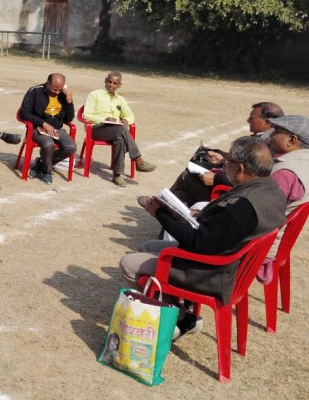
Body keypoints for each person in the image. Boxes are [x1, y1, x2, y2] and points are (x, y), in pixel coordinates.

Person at [120, 137, 286, 339]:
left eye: (228, 162)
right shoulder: (271, 190)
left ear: (240, 168)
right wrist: (194, 215)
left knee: (129, 263)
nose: (225, 167)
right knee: (148, 246)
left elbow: (198, 243)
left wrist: (160, 214)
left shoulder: (243, 206)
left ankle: (179, 319)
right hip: (233, 263)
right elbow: (221, 231)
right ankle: (179, 312)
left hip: (212, 272)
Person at [168, 102, 285, 206]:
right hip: (236, 187)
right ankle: (169, 210)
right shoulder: (267, 140)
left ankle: (164, 205)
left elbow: (252, 176)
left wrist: (217, 178)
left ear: (267, 123)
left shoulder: (265, 145)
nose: (248, 120)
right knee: (183, 190)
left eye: (252, 118)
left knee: (185, 178)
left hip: (231, 193)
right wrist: (223, 159)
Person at [256, 115, 309, 283]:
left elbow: (260, 212)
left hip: (260, 245)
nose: (270, 136)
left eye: (276, 132)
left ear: (292, 140)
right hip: (273, 240)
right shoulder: (303, 162)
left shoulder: (285, 173)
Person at [81, 71, 156, 187]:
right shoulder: (94, 94)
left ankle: (117, 176)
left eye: (115, 83)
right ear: (105, 81)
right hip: (96, 129)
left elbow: (130, 115)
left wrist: (126, 120)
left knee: (120, 139)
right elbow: (86, 115)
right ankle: (139, 161)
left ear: (119, 85)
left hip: (116, 131)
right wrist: (104, 118)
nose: (111, 85)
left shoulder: (121, 100)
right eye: (109, 82)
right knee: (121, 131)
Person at [18, 73, 77, 184]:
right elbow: (24, 113)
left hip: (57, 129)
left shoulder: (63, 94)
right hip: (37, 128)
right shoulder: (35, 91)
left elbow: (68, 119)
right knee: (48, 144)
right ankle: (46, 171)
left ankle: (41, 163)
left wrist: (69, 101)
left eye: (60, 89)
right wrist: (43, 123)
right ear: (47, 83)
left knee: (71, 147)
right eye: (55, 89)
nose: (57, 92)